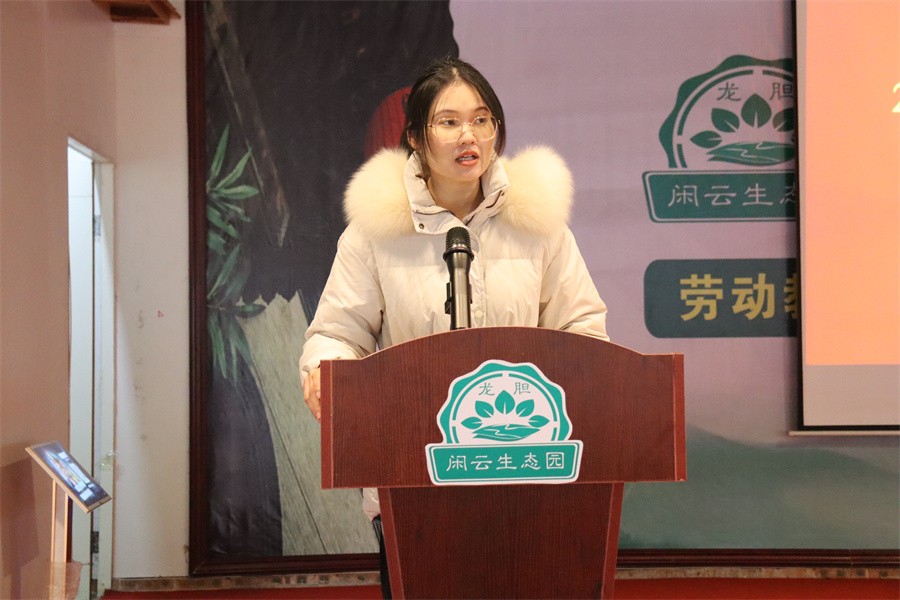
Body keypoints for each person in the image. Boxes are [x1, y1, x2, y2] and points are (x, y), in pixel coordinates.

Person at [298, 56, 608, 595]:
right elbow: (338, 332)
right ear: (415, 138)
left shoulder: (539, 225)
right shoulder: (376, 231)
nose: (469, 135)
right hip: (413, 470)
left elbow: (581, 328)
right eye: (449, 122)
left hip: (524, 466)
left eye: (482, 120)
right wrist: (326, 370)